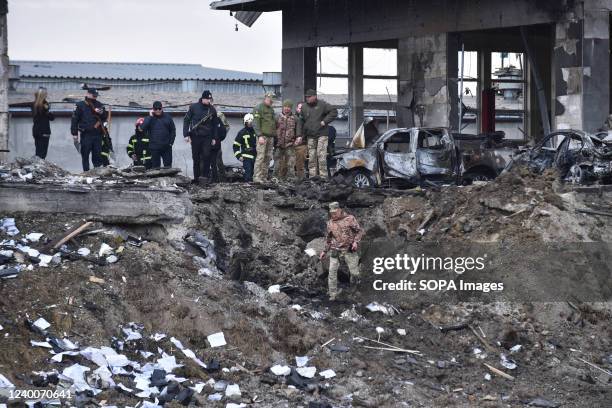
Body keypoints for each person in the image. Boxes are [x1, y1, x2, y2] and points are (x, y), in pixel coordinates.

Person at [320, 202, 364, 300]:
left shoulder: (349, 219)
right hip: (335, 250)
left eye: (335, 212)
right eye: (331, 213)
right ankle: (332, 295)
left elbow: (359, 231)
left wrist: (355, 242)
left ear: (339, 210)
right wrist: (324, 251)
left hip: (349, 249)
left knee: (354, 273)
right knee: (331, 273)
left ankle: (354, 292)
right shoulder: (330, 223)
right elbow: (328, 239)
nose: (333, 215)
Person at [297, 89, 338, 179]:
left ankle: (323, 177)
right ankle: (313, 177)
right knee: (311, 157)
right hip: (310, 136)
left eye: (309, 97)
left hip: (322, 134)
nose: (307, 98)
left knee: (321, 156)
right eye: (306, 97)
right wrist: (299, 135)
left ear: (314, 96)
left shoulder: (322, 105)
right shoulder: (304, 107)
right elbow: (300, 121)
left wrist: (325, 121)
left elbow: (334, 111)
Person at [184, 90, 218, 184]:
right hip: (195, 136)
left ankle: (205, 178)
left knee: (207, 156)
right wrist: (186, 134)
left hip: (207, 137)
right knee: (196, 158)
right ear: (203, 98)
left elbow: (215, 125)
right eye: (207, 99)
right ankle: (196, 178)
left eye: (210, 99)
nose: (209, 101)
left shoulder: (212, 109)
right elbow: (186, 120)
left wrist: (214, 138)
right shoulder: (194, 107)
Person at [71, 88, 107, 171]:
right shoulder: (80, 105)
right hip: (86, 134)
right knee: (85, 156)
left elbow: (105, 117)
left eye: (96, 96)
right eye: (93, 96)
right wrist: (74, 134)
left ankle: (97, 173)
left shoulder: (99, 104)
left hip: (98, 134)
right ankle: (86, 173)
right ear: (88, 94)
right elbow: (74, 120)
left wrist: (102, 113)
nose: (95, 98)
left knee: (97, 156)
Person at [141, 101, 176, 168]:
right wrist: (150, 116)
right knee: (155, 168)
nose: (158, 110)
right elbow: (142, 128)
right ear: (153, 109)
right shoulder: (149, 118)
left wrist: (171, 143)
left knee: (168, 167)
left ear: (162, 108)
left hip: (166, 147)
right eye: (156, 109)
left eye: (159, 109)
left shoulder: (168, 117)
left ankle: (168, 178)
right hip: (154, 148)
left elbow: (173, 130)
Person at [252, 93, 277, 183]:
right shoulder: (258, 108)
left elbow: (273, 123)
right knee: (260, 157)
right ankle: (257, 177)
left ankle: (264, 176)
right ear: (266, 98)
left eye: (272, 100)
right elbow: (255, 122)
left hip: (270, 137)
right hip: (262, 136)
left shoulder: (271, 110)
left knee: (268, 157)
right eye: (270, 99)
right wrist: (259, 135)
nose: (271, 102)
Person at [273, 100, 298, 181]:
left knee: (291, 162)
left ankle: (291, 178)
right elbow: (273, 129)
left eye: (288, 107)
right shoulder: (277, 117)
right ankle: (275, 177)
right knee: (277, 162)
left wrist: (297, 138)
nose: (287, 109)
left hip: (290, 144)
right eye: (285, 107)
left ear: (291, 108)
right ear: (283, 107)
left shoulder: (295, 118)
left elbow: (298, 130)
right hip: (278, 144)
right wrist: (275, 141)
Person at [31, 87, 54, 159]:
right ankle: (39, 168)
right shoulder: (45, 105)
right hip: (44, 131)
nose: (47, 95)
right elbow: (51, 118)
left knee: (38, 152)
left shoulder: (34, 105)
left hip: (36, 131)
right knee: (42, 154)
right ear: (44, 95)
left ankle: (36, 167)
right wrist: (50, 112)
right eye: (46, 94)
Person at [233, 113, 257, 182]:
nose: (250, 124)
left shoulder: (257, 132)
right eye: (248, 123)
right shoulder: (241, 133)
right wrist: (238, 156)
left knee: (256, 174)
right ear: (245, 122)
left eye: (251, 123)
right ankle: (248, 187)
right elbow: (235, 146)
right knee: (248, 174)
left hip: (256, 156)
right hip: (246, 157)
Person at [212, 99, 230, 182]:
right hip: (204, 142)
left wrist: (219, 137)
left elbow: (226, 127)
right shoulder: (202, 113)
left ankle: (223, 180)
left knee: (218, 161)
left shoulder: (219, 115)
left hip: (216, 142)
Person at [294, 102, 308, 180]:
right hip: (291, 143)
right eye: (299, 108)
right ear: (296, 109)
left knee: (300, 162)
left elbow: (308, 131)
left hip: (302, 143)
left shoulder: (308, 119)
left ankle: (301, 178)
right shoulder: (292, 118)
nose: (301, 110)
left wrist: (301, 138)